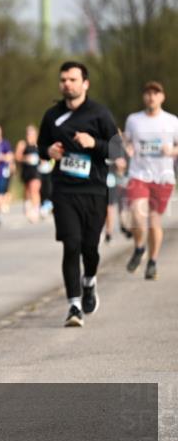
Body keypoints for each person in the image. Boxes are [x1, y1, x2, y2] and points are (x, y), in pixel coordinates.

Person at [37, 61, 119, 327]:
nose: (66, 84)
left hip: (94, 189)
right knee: (71, 245)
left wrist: (94, 143)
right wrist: (48, 152)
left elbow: (118, 151)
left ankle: (89, 282)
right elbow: (40, 146)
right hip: (63, 190)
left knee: (89, 248)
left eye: (72, 80)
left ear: (85, 83)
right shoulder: (52, 116)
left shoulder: (100, 114)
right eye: (63, 80)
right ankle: (73, 305)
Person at [122, 81, 178, 280]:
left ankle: (152, 262)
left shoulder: (172, 121)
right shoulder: (134, 120)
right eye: (147, 93)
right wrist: (127, 148)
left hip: (163, 177)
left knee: (154, 222)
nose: (151, 96)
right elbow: (127, 141)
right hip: (139, 175)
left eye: (155, 93)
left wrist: (171, 151)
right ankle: (139, 248)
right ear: (143, 97)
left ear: (162, 97)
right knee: (137, 215)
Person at [15, 125, 43, 223]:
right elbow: (17, 157)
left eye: (32, 133)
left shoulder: (39, 144)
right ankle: (27, 206)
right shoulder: (22, 144)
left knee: (34, 189)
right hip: (26, 170)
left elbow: (44, 157)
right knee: (27, 190)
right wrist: (26, 158)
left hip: (36, 171)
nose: (29, 136)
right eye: (28, 133)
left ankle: (36, 211)